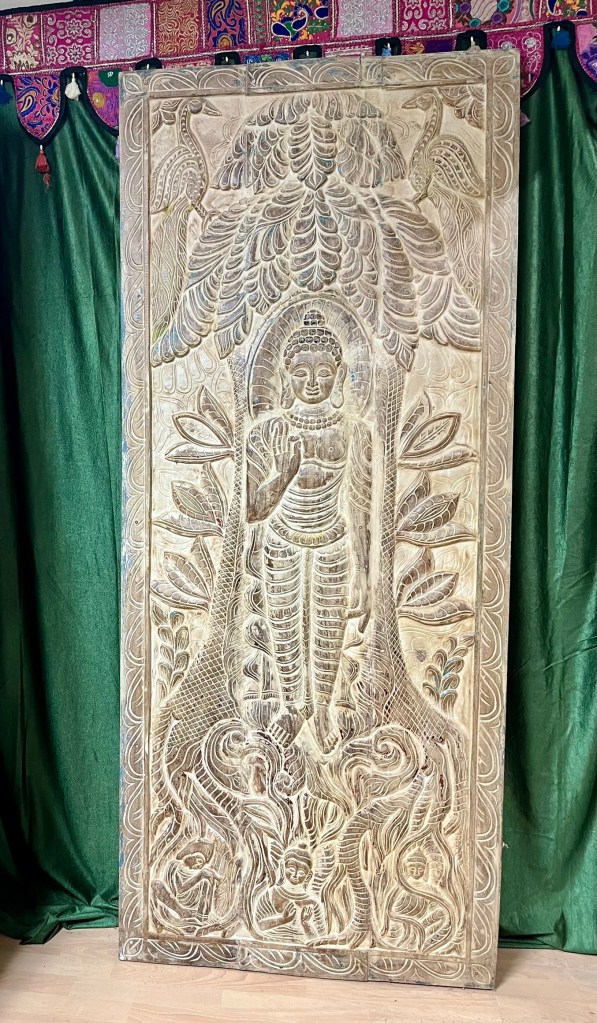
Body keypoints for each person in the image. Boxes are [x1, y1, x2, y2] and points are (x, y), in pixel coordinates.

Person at [246, 311, 372, 752]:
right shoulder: (269, 431)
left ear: (339, 374)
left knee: (328, 629)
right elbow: (252, 509)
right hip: (282, 540)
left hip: (333, 542)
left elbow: (360, 504)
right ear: (285, 375)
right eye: (301, 372)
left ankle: (321, 710)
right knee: (284, 627)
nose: (313, 382)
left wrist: (365, 573)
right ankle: (292, 705)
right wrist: (283, 476)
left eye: (323, 372)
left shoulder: (353, 432)